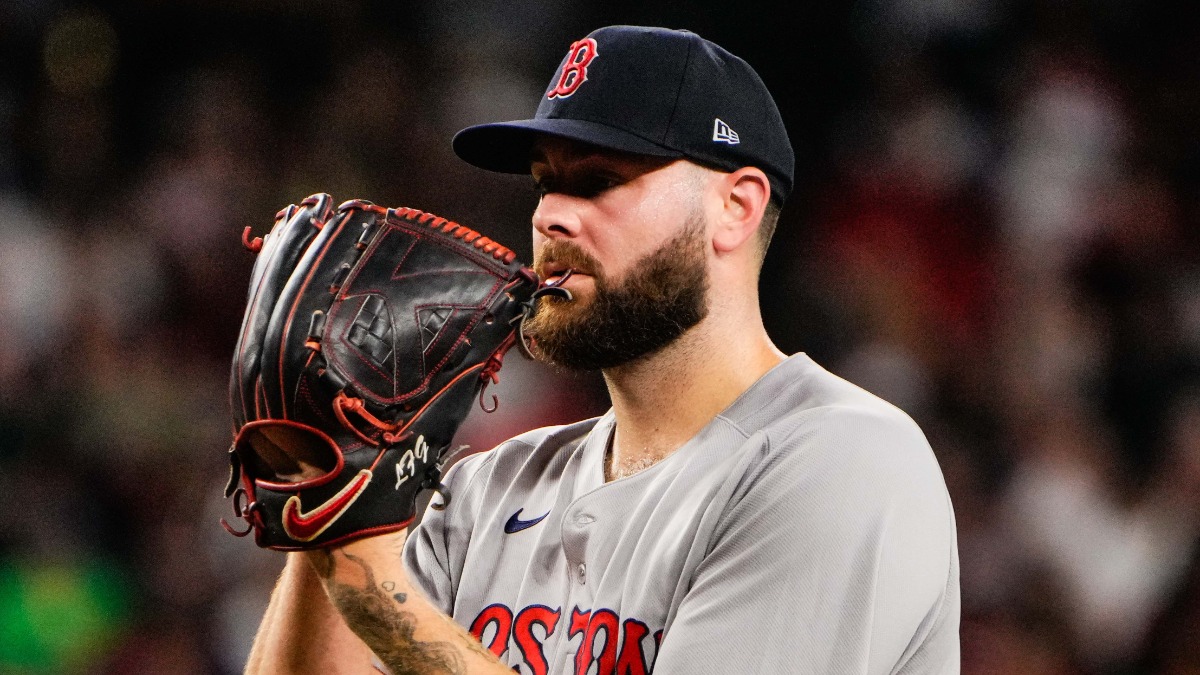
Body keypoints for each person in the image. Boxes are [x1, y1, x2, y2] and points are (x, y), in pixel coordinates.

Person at [245, 25, 960, 674]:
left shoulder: (845, 459)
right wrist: (328, 498)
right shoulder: (486, 491)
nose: (550, 214)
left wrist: (380, 590)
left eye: (598, 181)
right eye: (545, 183)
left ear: (735, 207)